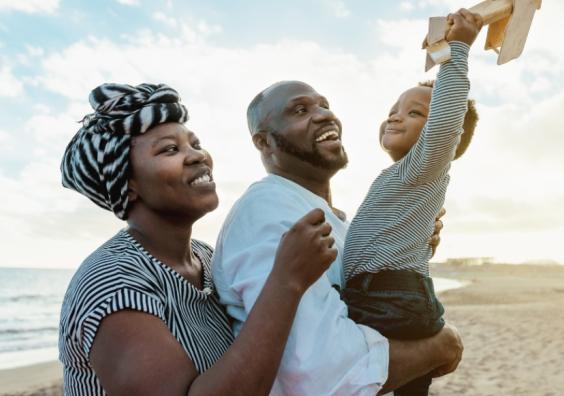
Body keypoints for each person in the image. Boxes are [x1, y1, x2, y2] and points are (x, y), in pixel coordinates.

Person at [211, 20, 472, 394]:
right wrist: (440, 346)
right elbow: (320, 372)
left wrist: (409, 244)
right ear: (264, 142)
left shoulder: (334, 217)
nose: (323, 115)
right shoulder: (266, 209)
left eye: (325, 105)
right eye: (300, 110)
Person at [58, 82, 338, 395]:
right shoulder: (113, 283)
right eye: (169, 150)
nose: (197, 156)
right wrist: (286, 282)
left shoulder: (205, 257)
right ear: (128, 184)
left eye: (195, 144)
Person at [342, 9, 482, 396]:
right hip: (385, 293)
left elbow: (446, 120)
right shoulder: (404, 179)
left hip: (391, 296)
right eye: (392, 111)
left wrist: (458, 50)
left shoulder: (424, 165)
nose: (395, 117)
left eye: (415, 112)